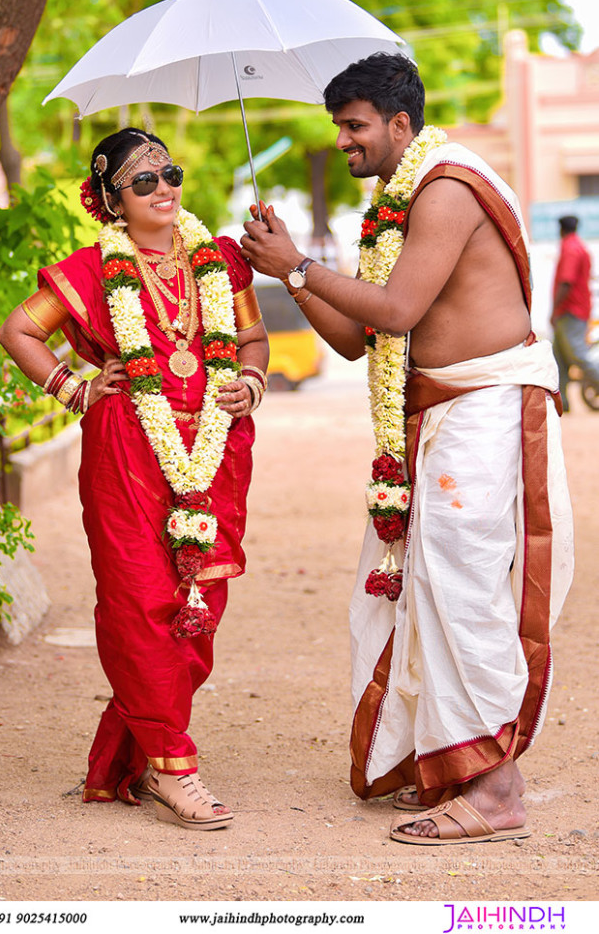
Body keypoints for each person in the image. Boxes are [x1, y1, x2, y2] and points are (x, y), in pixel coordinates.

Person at [239, 54, 573, 845]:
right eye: (339, 129)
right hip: (432, 420)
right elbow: (358, 341)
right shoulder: (396, 204)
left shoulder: (447, 187)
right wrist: (291, 274)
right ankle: (451, 766)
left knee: (461, 591)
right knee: (416, 591)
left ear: (399, 125)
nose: (345, 143)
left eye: (354, 128)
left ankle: (495, 789)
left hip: (483, 411)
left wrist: (300, 263)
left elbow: (395, 309)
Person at [0, 127, 269, 831]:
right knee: (139, 602)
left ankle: (143, 747)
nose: (164, 188)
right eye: (143, 181)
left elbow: (252, 340)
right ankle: (174, 768)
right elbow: (18, 333)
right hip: (126, 451)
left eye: (169, 173)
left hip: (215, 450)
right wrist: (73, 387)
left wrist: (251, 378)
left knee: (201, 601)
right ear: (111, 200)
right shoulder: (92, 269)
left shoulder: (220, 262)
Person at [551, 214, 598, 411]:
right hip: (574, 309)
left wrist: (554, 309)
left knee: (578, 355)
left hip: (570, 310)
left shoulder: (570, 248)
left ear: (561, 229)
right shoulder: (579, 246)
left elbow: (566, 281)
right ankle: (563, 404)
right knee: (558, 359)